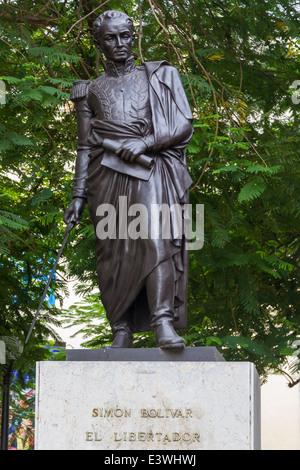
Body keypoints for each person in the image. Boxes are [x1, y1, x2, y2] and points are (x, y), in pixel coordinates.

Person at [64, 10, 194, 350]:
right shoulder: (89, 90)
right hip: (104, 176)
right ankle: (120, 329)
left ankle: (162, 322)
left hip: (149, 169)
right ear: (99, 42)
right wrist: (78, 196)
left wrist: (146, 142)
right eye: (110, 38)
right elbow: (84, 145)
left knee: (156, 239)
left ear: (132, 36)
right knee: (112, 252)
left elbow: (183, 125)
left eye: (125, 36)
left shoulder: (162, 76)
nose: (119, 43)